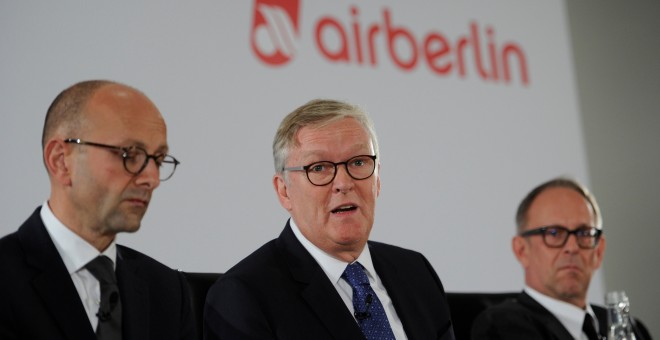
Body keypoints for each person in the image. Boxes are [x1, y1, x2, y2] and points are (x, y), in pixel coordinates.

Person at [204, 99, 455, 339]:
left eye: (358, 162)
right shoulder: (245, 295)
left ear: (377, 180)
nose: (344, 183)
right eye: (319, 168)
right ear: (284, 191)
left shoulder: (415, 272)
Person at [0, 80, 195, 340]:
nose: (152, 178)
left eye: (158, 160)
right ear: (61, 161)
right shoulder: (5, 278)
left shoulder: (167, 291)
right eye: (130, 154)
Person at [471, 177, 652, 340]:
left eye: (584, 233)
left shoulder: (633, 330)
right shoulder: (501, 327)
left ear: (598, 251)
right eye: (554, 233)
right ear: (521, 250)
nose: (572, 247)